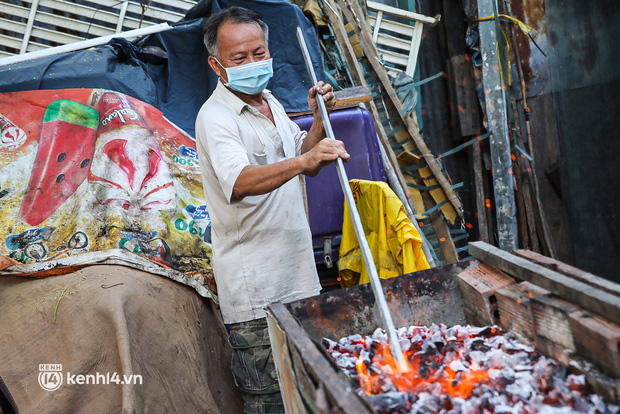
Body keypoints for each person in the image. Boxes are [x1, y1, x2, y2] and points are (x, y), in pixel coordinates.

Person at [195, 6, 350, 414]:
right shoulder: (216, 117)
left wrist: (319, 119)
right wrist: (304, 161)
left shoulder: (271, 102)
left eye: (259, 53)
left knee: (311, 394)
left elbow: (301, 154)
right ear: (217, 65)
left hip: (299, 278)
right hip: (256, 293)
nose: (253, 63)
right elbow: (240, 182)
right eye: (239, 58)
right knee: (270, 403)